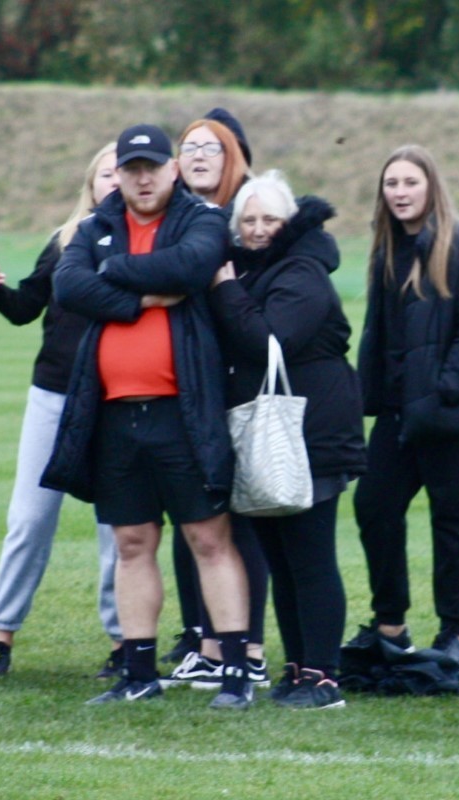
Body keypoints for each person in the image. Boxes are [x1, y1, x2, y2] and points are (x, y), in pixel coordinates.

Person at [44, 123, 254, 709]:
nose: (142, 179)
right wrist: (140, 297)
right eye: (132, 169)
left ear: (172, 170)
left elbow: (190, 268)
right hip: (115, 414)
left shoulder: (201, 219)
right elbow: (68, 284)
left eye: (152, 167)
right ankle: (139, 675)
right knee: (132, 542)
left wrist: (110, 272)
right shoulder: (96, 225)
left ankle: (235, 674)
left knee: (208, 537)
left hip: (184, 410)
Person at [343, 145, 459, 677]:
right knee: (374, 505)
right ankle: (390, 626)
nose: (400, 193)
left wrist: (446, 390)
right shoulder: (387, 248)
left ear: (431, 187)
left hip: (453, 410)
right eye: (391, 183)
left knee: (451, 516)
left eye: (410, 182)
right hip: (400, 409)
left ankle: (454, 633)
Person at [210, 171, 366, 709]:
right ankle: (299, 668)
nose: (258, 229)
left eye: (270, 219)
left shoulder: (302, 270)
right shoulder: (260, 268)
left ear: (290, 222)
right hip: (277, 432)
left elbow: (268, 339)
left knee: (310, 557)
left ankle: (323, 677)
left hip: (311, 431)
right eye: (248, 220)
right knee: (281, 558)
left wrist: (226, 289)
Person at [0, 142, 124, 681]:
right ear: (91, 183)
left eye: (124, 173)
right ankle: (1, 637)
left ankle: (124, 641)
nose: (115, 181)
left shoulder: (146, 245)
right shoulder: (64, 240)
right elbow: (25, 308)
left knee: (118, 526)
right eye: (106, 174)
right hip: (53, 395)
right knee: (30, 520)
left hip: (114, 399)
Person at [160, 107, 272, 690]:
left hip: (238, 387)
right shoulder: (174, 216)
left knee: (240, 523)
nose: (199, 157)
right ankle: (204, 642)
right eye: (190, 147)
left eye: (212, 148)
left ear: (235, 159)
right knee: (195, 520)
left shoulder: (250, 217)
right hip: (187, 386)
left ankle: (247, 648)